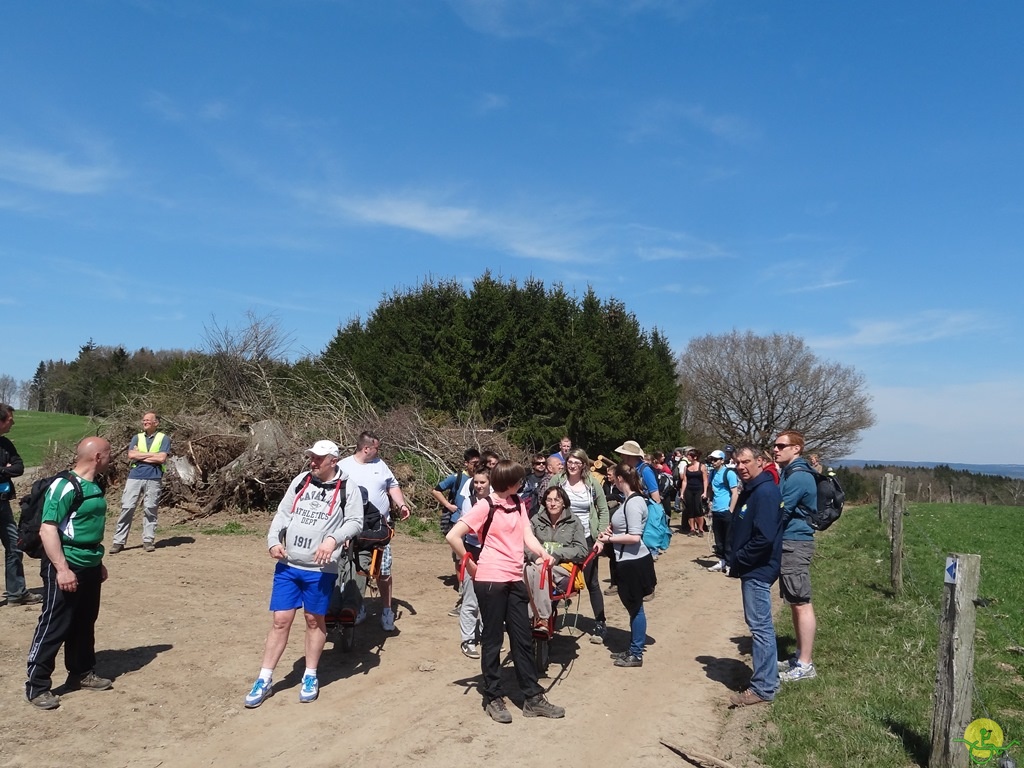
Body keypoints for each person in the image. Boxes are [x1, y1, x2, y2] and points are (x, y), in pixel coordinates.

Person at [244, 440, 363, 708]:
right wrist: (273, 540)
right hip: (288, 565)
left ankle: (310, 675)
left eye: (318, 458)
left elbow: (355, 521)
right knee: (280, 621)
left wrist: (333, 539)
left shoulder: (348, 488)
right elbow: (283, 513)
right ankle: (264, 678)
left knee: (313, 620)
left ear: (333, 460)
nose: (312, 462)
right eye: (311, 457)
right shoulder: (301, 481)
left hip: (320, 570)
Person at [445, 460, 565, 723]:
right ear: (509, 482)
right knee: (492, 640)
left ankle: (532, 698)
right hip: (490, 581)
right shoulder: (485, 505)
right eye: (519, 480)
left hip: (514, 578)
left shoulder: (518, 503)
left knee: (523, 639)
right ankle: (493, 696)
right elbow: (454, 535)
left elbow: (527, 535)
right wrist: (472, 565)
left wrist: (543, 553)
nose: (522, 483)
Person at [25, 437, 113, 710]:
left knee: (84, 621)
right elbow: (48, 528)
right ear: (97, 456)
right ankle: (37, 686)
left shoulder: (94, 485)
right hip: (66, 564)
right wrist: (62, 569)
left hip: (89, 562)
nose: (112, 458)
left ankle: (81, 672)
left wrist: (97, 563)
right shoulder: (65, 486)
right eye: (108, 453)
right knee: (55, 624)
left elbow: (86, 526)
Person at [727, 445, 785, 707]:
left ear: (760, 462)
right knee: (759, 625)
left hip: (758, 568)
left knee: (760, 627)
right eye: (737, 462)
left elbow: (764, 537)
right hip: (752, 567)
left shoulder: (765, 492)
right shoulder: (753, 490)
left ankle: (763, 687)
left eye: (746, 461)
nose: (741, 466)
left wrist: (740, 558)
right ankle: (767, 679)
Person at [340, 431, 411, 631]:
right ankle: (358, 606)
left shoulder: (380, 465)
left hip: (380, 530)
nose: (378, 451)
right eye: (376, 448)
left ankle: (387, 610)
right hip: (353, 528)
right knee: (356, 570)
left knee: (383, 571)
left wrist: (401, 504)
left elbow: (393, 485)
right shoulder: (344, 467)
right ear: (366, 448)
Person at [546, 448, 609, 643]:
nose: (572, 466)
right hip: (561, 537)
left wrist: (601, 536)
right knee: (554, 579)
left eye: (577, 462)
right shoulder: (558, 481)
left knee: (591, 582)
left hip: (587, 538)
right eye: (569, 462)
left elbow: (603, 509)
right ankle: (547, 620)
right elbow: (544, 505)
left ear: (583, 465)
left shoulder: (592, 484)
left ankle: (600, 623)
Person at [597, 463, 656, 667]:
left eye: (613, 476)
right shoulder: (630, 500)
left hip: (634, 563)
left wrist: (609, 540)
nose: (611, 478)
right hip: (627, 560)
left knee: (636, 608)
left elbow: (634, 537)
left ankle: (636, 653)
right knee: (633, 608)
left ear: (621, 479)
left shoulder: (633, 502)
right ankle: (633, 648)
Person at [773, 430, 819, 682]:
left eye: (781, 445)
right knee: (794, 600)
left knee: (801, 601)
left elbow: (781, 510)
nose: (776, 449)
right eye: (775, 446)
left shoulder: (798, 477)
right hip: (791, 541)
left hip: (795, 542)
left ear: (796, 449)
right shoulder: (791, 473)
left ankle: (805, 664)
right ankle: (800, 655)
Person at [524, 486, 588, 630]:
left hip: (562, 568)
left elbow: (582, 549)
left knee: (540, 571)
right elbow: (526, 544)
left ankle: (541, 617)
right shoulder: (536, 520)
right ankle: (529, 617)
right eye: (549, 500)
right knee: (527, 570)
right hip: (537, 564)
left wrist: (558, 553)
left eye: (556, 500)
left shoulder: (574, 522)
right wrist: (534, 556)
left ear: (564, 502)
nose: (552, 503)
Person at [110, 412, 170, 553]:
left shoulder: (164, 438)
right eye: (144, 420)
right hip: (135, 477)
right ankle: (118, 542)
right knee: (127, 507)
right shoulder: (136, 437)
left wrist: (141, 456)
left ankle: (148, 541)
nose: (145, 422)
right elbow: (131, 455)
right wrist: (152, 456)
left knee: (150, 509)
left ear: (156, 423)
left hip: (154, 477)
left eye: (148, 420)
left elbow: (161, 458)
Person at [0, 405, 40, 606]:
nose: (13, 423)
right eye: (10, 420)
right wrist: (5, 469)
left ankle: (16, 593)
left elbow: (19, 467)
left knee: (15, 546)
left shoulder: (6, 444)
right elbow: (11, 469)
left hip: (3, 504)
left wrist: (5, 470)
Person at [457, 469, 490, 659]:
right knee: (471, 598)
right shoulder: (469, 502)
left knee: (489, 598)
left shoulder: (495, 501)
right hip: (473, 551)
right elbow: (468, 529)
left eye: (482, 482)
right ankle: (468, 639)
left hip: (490, 552)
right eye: (476, 482)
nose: (478, 486)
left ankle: (487, 636)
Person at [615, 440, 663, 566]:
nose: (621, 457)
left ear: (629, 456)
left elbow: (655, 496)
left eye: (623, 454)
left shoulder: (645, 470)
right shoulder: (631, 469)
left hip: (643, 514)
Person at [706, 450, 739, 573]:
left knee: (728, 539)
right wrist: (709, 502)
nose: (713, 462)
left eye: (715, 459)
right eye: (711, 460)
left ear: (722, 460)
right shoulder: (712, 473)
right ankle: (722, 561)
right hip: (716, 510)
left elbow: (735, 493)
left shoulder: (729, 473)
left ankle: (730, 564)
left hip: (726, 510)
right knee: (718, 538)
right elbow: (710, 489)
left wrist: (730, 510)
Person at [601, 463, 624, 596]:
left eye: (610, 475)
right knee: (611, 555)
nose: (607, 476)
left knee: (619, 555)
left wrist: (609, 498)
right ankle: (615, 582)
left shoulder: (620, 486)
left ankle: (618, 582)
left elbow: (618, 497)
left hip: (618, 523)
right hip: (608, 521)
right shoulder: (606, 484)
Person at [681, 449, 709, 537]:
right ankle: (692, 529)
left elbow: (705, 480)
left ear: (695, 457)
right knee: (690, 510)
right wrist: (682, 493)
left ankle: (700, 529)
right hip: (689, 490)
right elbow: (684, 481)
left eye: (689, 455)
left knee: (698, 509)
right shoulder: (686, 467)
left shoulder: (702, 466)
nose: (687, 457)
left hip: (699, 490)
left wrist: (705, 492)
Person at [519, 453, 548, 519]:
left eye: (543, 463)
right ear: (533, 465)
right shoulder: (527, 479)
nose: (541, 465)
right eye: (538, 463)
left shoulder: (549, 479)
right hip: (528, 511)